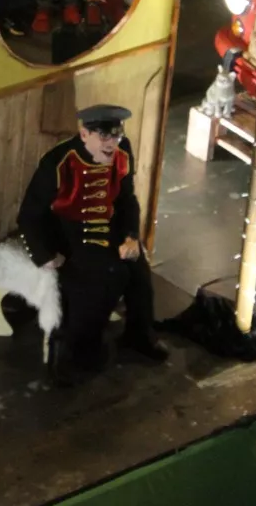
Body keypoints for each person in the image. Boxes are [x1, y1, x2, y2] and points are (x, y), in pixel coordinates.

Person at [18, 104, 167, 386]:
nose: (111, 144)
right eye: (103, 137)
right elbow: (29, 215)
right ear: (84, 134)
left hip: (110, 229)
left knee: (139, 275)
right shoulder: (57, 162)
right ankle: (75, 353)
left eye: (116, 136)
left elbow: (126, 200)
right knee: (99, 279)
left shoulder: (123, 153)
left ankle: (140, 336)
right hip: (69, 233)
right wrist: (45, 254)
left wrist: (131, 236)